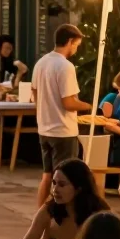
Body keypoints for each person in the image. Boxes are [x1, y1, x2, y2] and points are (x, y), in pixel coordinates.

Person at [32, 23, 90, 208]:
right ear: (70, 41)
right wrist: (90, 106)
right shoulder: (65, 66)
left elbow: (35, 94)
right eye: (76, 45)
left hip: (44, 128)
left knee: (47, 175)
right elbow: (69, 103)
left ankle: (39, 215)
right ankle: (60, 215)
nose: (75, 49)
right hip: (62, 131)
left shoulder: (41, 62)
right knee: (65, 179)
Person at [20, 157, 110, 239]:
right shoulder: (49, 209)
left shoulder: (99, 214)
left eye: (62, 185)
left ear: (79, 188)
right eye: (54, 183)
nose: (55, 189)